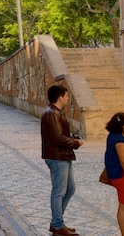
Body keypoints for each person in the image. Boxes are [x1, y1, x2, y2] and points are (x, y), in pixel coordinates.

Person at [41, 85, 84, 236]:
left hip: (63, 155)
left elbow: (60, 133)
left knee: (70, 189)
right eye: (66, 96)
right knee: (59, 192)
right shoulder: (52, 114)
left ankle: (57, 222)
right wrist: (75, 143)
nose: (67, 98)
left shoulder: (56, 113)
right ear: (60, 97)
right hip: (57, 157)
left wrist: (72, 138)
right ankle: (57, 225)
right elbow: (57, 138)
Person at [104, 112, 124, 235]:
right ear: (122, 125)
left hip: (116, 174)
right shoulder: (119, 140)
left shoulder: (113, 136)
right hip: (121, 176)